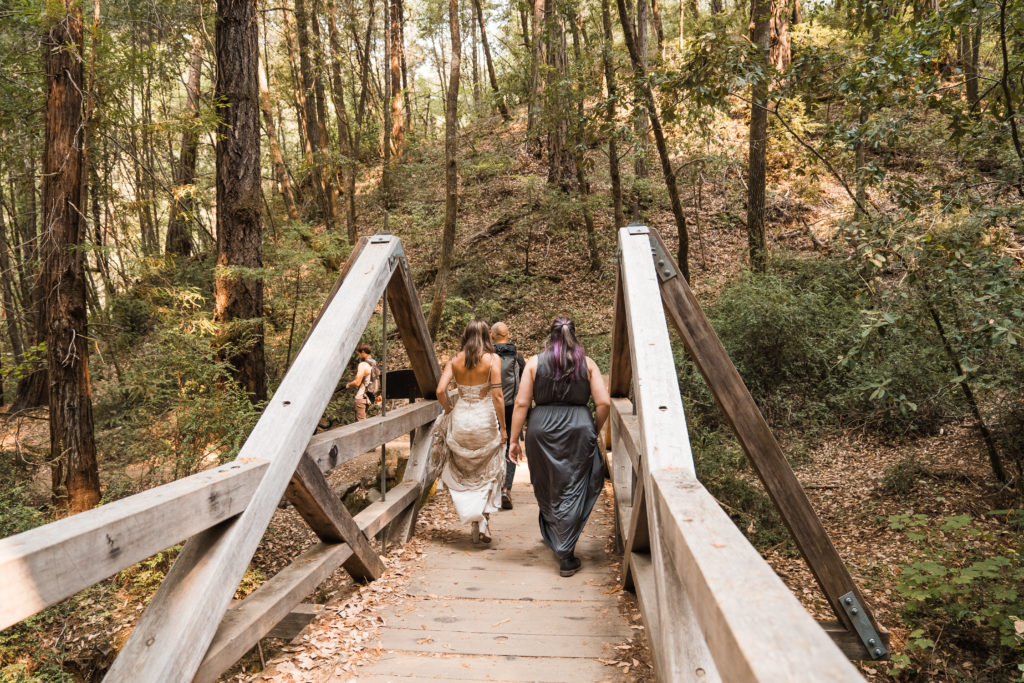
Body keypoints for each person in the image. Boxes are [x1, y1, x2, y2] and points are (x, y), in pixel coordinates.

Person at [509, 317, 610, 577]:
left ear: (549, 337)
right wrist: (592, 429)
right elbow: (604, 403)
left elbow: (521, 404)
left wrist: (513, 440)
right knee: (575, 484)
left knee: (548, 484)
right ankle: (565, 549)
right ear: (574, 336)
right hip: (579, 426)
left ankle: (560, 542)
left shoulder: (533, 363)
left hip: (541, 429)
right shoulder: (587, 364)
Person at [433, 320, 508, 543]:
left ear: (465, 336)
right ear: (487, 336)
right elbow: (497, 396)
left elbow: (439, 390)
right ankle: (483, 518)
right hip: (484, 421)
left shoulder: (455, 360)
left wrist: (448, 408)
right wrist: (503, 428)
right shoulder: (493, 359)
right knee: (489, 468)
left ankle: (473, 515)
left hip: (461, 419)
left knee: (464, 471)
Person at [490, 322, 525, 510]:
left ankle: (491, 488)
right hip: (512, 407)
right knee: (510, 445)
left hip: (491, 406)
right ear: (507, 335)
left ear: (491, 335)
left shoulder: (486, 357)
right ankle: (506, 489)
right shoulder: (518, 357)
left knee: (491, 445)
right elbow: (526, 386)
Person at [345, 343, 377, 421]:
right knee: (364, 422)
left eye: (358, 353)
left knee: (361, 425)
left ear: (362, 352)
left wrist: (349, 384)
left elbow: (357, 383)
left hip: (361, 398)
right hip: (369, 397)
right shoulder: (373, 363)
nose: (358, 355)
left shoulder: (363, 365)